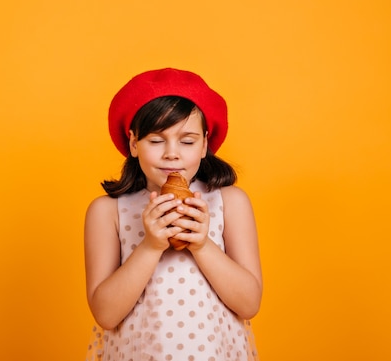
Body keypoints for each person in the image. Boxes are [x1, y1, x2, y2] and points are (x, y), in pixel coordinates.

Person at [84, 68, 262, 360]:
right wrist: (150, 246)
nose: (172, 153)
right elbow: (105, 314)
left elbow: (249, 304)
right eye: (156, 141)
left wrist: (203, 244)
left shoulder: (229, 202)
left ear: (205, 143)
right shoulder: (108, 211)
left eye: (187, 141)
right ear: (133, 143)